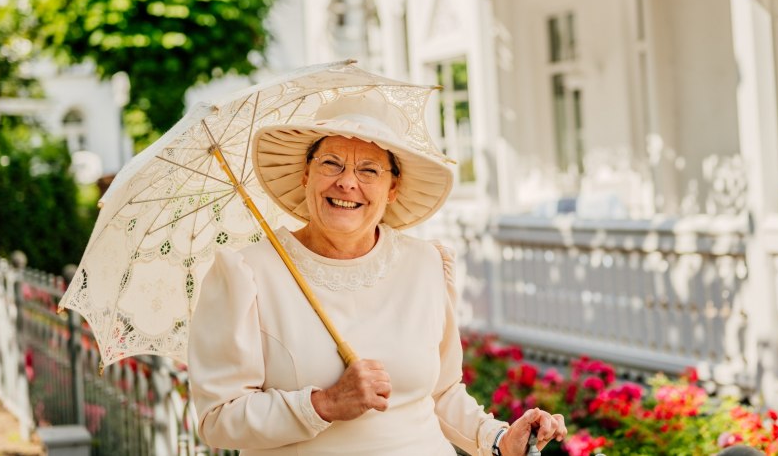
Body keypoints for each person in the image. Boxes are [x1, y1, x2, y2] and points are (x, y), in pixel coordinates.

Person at [188, 94, 568, 455]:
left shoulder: (426, 264)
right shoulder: (248, 273)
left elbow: (441, 393)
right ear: (306, 173)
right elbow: (218, 417)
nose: (347, 182)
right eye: (331, 163)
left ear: (393, 188)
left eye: (368, 170)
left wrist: (500, 439)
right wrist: (323, 404)